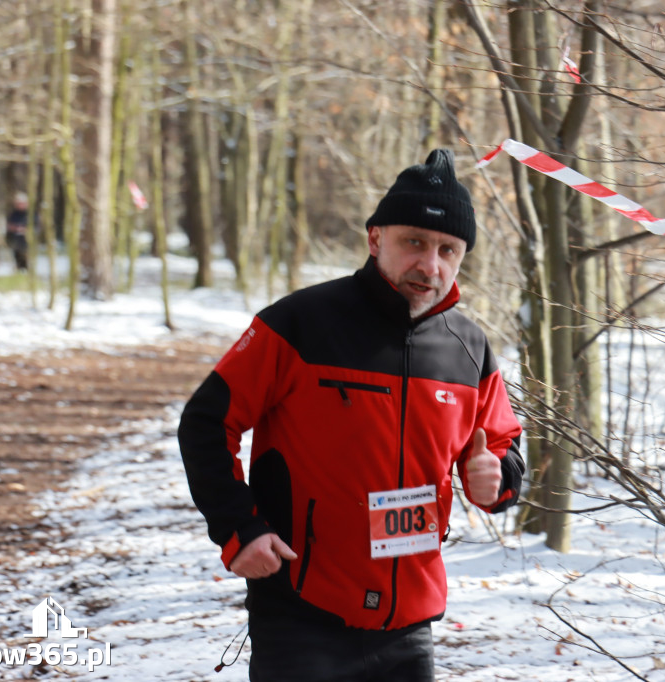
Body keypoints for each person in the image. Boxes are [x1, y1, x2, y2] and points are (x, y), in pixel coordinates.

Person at [178, 149, 525, 682]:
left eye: (447, 250)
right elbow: (206, 421)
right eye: (414, 242)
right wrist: (238, 528)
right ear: (375, 239)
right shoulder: (299, 323)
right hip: (301, 608)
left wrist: (496, 477)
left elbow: (501, 447)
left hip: (409, 621)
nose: (429, 265)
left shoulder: (468, 348)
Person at [5, 193, 29, 271]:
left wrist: (24, 229)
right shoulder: (13, 214)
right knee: (17, 255)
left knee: (25, 255)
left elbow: (36, 226)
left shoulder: (30, 214)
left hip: (27, 240)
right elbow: (9, 225)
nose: (20, 205)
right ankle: (19, 269)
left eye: (21, 203)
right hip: (15, 240)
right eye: (18, 203)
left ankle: (26, 269)